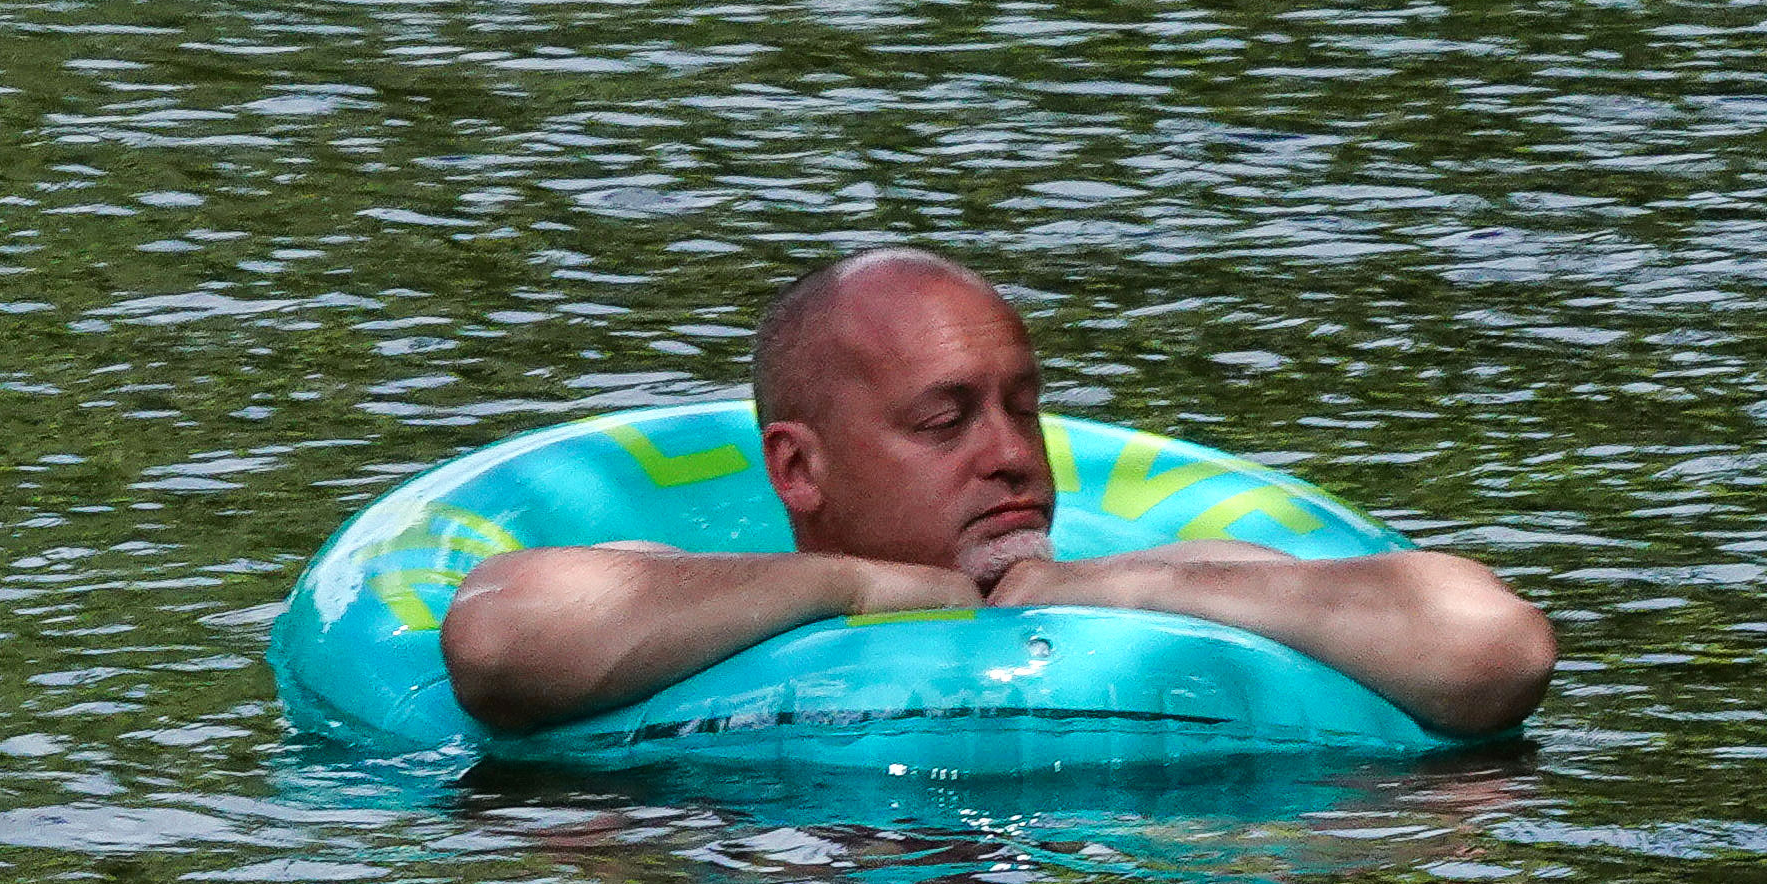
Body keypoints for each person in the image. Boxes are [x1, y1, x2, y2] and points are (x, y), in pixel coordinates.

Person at [437, 247, 1554, 741]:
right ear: (798, 470)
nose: (1013, 455)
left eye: (1024, 408)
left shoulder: (1168, 579)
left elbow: (1492, 646)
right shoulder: (682, 588)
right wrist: (864, 585)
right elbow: (498, 646)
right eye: (945, 419)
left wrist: (1099, 585)